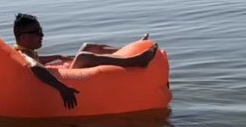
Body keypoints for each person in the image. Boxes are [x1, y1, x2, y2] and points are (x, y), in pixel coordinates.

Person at [12, 13, 158, 110]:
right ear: (23, 38)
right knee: (84, 57)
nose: (42, 35)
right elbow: (35, 66)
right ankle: (136, 61)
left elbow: (37, 59)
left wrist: (58, 56)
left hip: (61, 76)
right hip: (65, 83)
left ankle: (129, 49)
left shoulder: (24, 51)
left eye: (41, 31)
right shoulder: (23, 54)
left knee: (87, 46)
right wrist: (62, 88)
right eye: (37, 33)